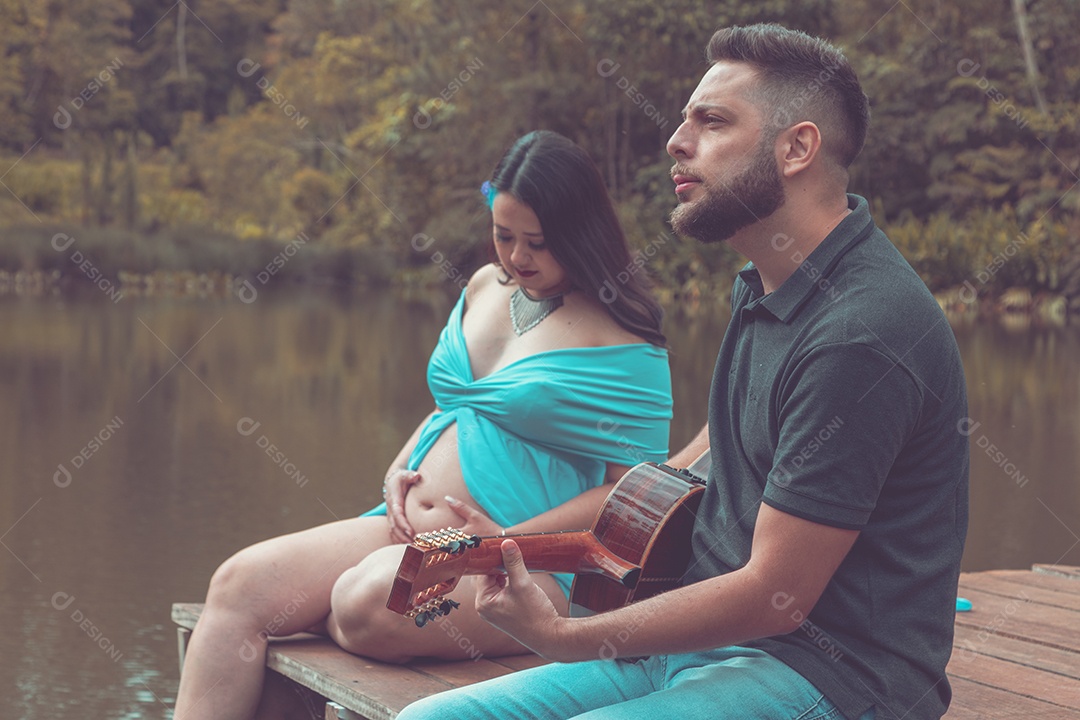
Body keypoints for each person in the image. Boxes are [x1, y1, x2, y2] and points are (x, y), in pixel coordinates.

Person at [397, 23, 969, 720]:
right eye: (683, 117)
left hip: (833, 677)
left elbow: (772, 597)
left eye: (712, 120)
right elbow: (716, 460)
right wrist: (506, 546)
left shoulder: (863, 331)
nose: (676, 140)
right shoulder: (767, 284)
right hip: (698, 644)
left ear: (798, 148)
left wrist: (563, 635)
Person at [172, 130, 674, 720]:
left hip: (517, 567)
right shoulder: (485, 286)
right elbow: (454, 403)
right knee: (238, 587)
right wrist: (400, 462)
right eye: (503, 234)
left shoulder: (626, 343)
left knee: (362, 604)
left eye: (537, 242)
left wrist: (502, 544)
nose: (516, 256)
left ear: (580, 232)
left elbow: (632, 494)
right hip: (403, 530)